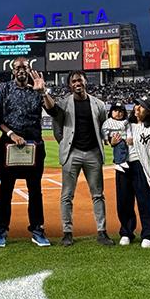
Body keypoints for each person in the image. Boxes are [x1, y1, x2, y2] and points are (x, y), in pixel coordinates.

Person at [45, 71, 113, 246]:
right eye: (74, 81)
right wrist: (66, 145)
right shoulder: (63, 103)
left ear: (85, 82)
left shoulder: (98, 104)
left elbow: (103, 126)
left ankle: (102, 231)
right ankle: (67, 232)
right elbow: (57, 129)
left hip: (93, 153)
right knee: (67, 195)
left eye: (80, 80)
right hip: (72, 153)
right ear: (70, 85)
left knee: (98, 194)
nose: (77, 83)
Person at [0, 57, 51, 248]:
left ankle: (37, 229)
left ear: (29, 68)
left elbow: (53, 110)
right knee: (5, 189)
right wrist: (11, 133)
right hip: (10, 143)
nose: (22, 70)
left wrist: (43, 92)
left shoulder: (37, 87)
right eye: (18, 68)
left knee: (35, 190)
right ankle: (1, 229)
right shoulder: (5, 89)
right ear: (13, 71)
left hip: (34, 144)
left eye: (25, 67)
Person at [115, 96, 150, 247]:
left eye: (141, 106)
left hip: (141, 167)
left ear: (149, 111)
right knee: (123, 201)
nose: (137, 108)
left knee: (144, 201)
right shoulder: (125, 125)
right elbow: (111, 139)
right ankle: (126, 232)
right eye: (136, 105)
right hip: (123, 166)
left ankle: (149, 234)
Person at [101, 103, 130, 173]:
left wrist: (128, 137)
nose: (118, 113)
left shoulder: (125, 122)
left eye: (120, 111)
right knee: (120, 146)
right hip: (116, 138)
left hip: (124, 139)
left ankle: (120, 161)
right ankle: (118, 162)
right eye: (115, 111)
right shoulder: (109, 121)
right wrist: (106, 139)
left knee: (124, 149)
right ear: (111, 112)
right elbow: (104, 129)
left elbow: (129, 129)